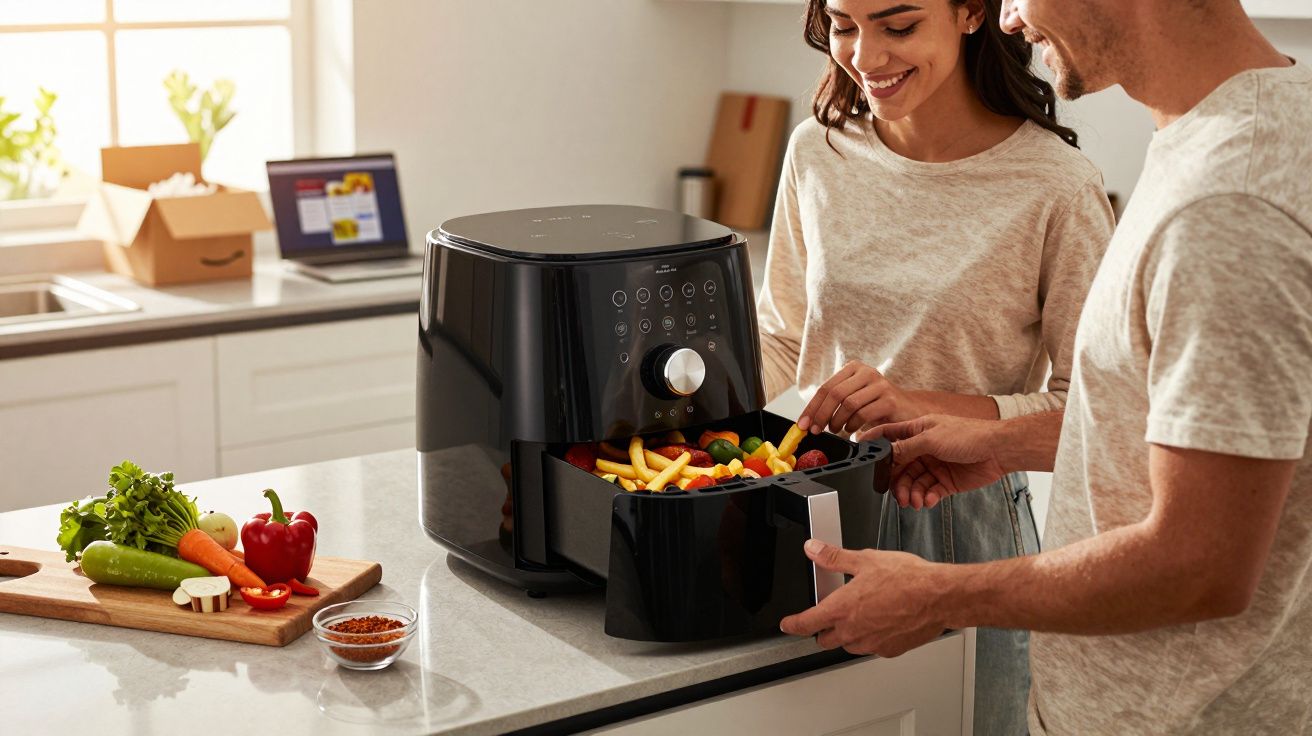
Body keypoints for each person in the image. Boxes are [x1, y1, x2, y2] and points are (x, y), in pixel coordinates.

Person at [779, 1, 1312, 733]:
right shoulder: (1207, 143)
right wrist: (999, 443)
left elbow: (1200, 565)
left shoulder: (1227, 202)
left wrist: (942, 595)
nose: (1011, 17)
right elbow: (1142, 419)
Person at [755, 0, 1114, 732]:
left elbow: (1094, 410)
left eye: (899, 25)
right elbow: (784, 337)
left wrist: (919, 405)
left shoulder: (1056, 183)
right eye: (845, 26)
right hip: (810, 507)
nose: (865, 57)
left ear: (972, 13)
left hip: (959, 521)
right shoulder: (815, 152)